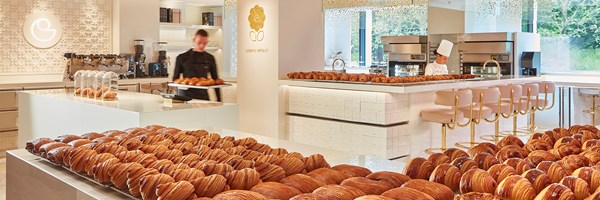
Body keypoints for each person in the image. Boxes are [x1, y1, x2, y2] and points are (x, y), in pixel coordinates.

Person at [173, 29, 221, 101]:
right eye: (199, 43)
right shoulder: (182, 58)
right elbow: (175, 79)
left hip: (204, 98)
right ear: (193, 40)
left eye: (204, 43)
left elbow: (216, 80)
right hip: (185, 98)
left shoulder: (210, 58)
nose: (202, 46)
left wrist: (219, 101)